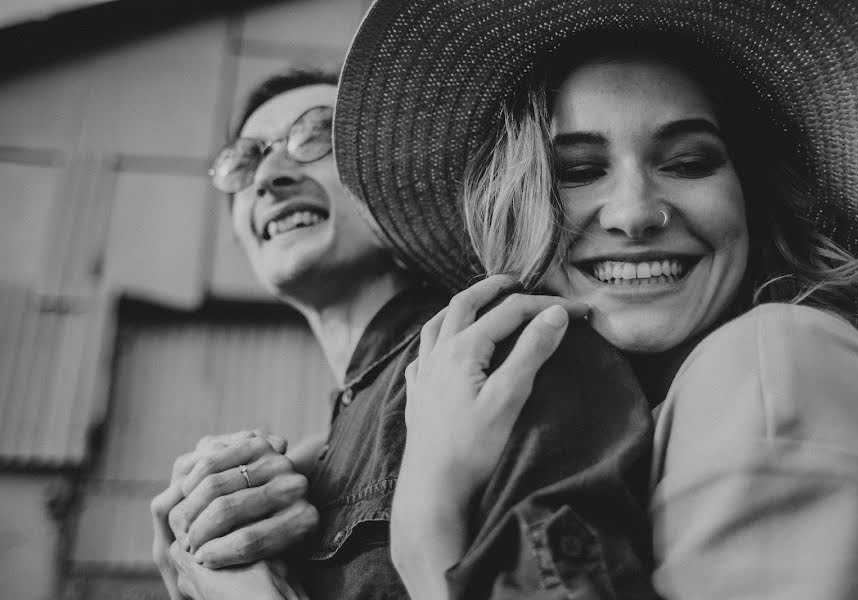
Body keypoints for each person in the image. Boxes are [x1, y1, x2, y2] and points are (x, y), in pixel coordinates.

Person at [332, 0, 858, 598]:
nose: (634, 213)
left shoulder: (779, 362)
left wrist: (428, 533)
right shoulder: (565, 425)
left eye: (688, 162)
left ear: (752, 200)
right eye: (577, 171)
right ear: (512, 209)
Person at [151, 67, 649, 600]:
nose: (270, 175)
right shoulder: (321, 448)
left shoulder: (496, 347)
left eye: (316, 136)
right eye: (243, 161)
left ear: (395, 182)